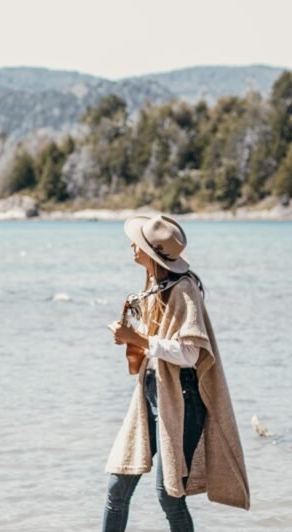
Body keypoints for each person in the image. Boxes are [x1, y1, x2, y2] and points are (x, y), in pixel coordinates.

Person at [102, 215, 250, 531]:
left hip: (183, 400)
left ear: (151, 253)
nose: (131, 247)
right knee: (117, 486)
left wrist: (139, 339)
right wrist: (131, 338)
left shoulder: (184, 289)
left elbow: (191, 353)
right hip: (152, 396)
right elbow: (157, 345)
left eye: (137, 244)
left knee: (169, 497)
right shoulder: (154, 287)